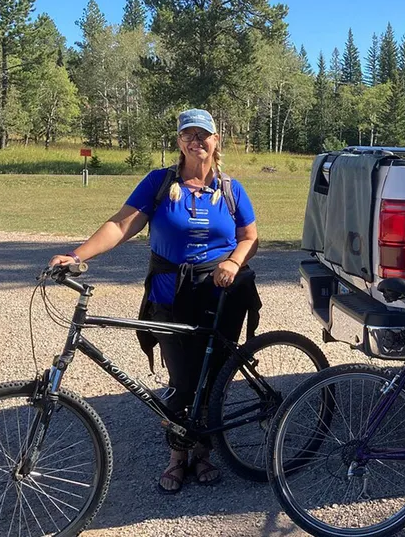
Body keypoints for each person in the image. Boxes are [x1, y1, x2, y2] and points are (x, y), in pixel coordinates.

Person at [49, 108, 260, 493]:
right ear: (179, 142)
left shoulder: (231, 189)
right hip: (171, 293)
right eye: (187, 135)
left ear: (216, 141)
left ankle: (205, 451)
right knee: (182, 379)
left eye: (203, 135)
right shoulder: (160, 183)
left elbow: (250, 237)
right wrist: (78, 255)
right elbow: (120, 224)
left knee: (213, 378)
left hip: (223, 294)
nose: (196, 141)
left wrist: (232, 261)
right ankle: (179, 456)